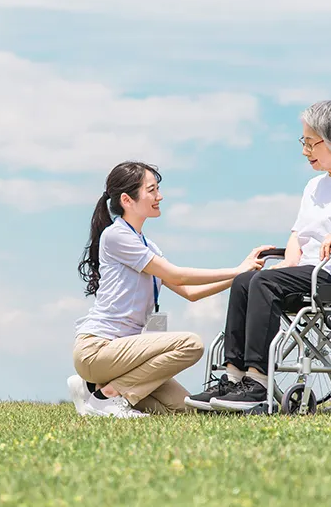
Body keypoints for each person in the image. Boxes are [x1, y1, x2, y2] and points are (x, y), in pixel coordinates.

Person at [186, 100, 331, 412]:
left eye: (310, 143)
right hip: (310, 271)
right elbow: (299, 235)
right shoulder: (314, 186)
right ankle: (234, 377)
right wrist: (288, 263)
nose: (305, 151)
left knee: (264, 283)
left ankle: (258, 381)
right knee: (245, 281)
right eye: (303, 142)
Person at [68, 161, 273, 418]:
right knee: (191, 344)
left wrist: (245, 276)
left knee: (184, 408)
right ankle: (108, 395)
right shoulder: (116, 236)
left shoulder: (148, 246)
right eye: (152, 190)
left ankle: (92, 389)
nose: (159, 196)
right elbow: (175, 273)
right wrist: (236, 269)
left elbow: (189, 291)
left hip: (126, 355)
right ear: (126, 200)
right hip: (98, 350)